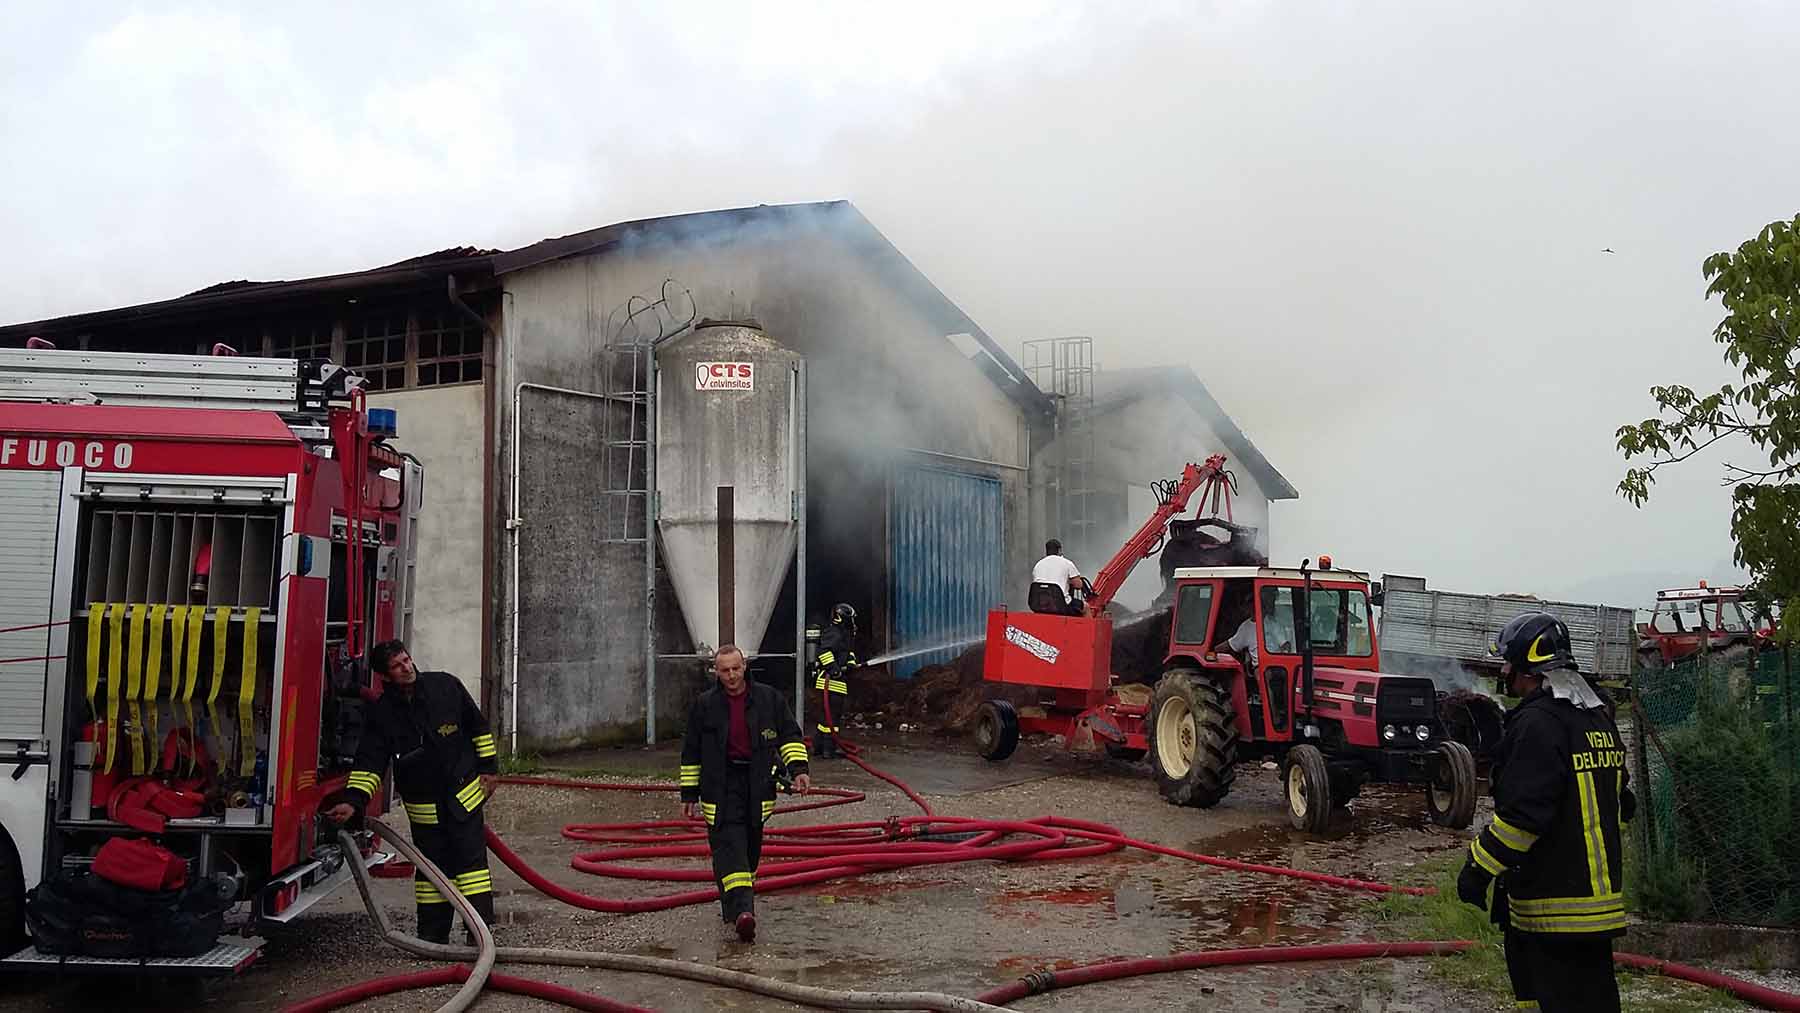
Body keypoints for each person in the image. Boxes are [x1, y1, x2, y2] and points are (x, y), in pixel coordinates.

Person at [1456, 612, 1635, 1013]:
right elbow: (1622, 795)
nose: (1504, 670)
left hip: (1556, 907)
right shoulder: (1596, 714)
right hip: (1597, 907)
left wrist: (1477, 867)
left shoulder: (1537, 723)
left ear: (1527, 665)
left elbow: (1523, 819)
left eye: (1507, 661)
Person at [329, 640, 500, 944]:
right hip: (424, 805)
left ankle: (480, 933)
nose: (406, 668)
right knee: (431, 870)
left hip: (464, 794)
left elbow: (478, 727)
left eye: (406, 660)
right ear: (385, 675)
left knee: (472, 868)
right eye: (397, 666)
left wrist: (489, 769)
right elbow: (370, 762)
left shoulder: (445, 687)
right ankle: (433, 936)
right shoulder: (384, 713)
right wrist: (354, 802)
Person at [679, 645, 812, 943]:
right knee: (730, 847)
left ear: (745, 666)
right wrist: (688, 793)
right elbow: (692, 751)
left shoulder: (768, 699)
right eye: (724, 670)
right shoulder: (705, 705)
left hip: (757, 782)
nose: (731, 676)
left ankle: (733, 907)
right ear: (716, 672)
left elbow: (789, 735)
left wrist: (799, 769)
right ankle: (744, 913)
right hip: (720, 785)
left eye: (735, 669)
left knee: (750, 850)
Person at [809, 604, 860, 759]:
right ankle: (828, 750)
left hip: (835, 683)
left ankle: (819, 747)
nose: (852, 622)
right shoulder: (835, 633)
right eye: (849, 619)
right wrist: (834, 669)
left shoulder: (843, 634)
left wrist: (850, 664)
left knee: (826, 718)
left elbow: (846, 653)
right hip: (830, 683)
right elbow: (824, 651)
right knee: (832, 719)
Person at [1030, 539, 1090, 616]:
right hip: (1061, 605)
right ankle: (1088, 628)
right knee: (1086, 608)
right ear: (1059, 550)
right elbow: (1078, 585)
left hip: (1039, 605)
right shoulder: (1067, 563)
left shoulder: (1037, 565)